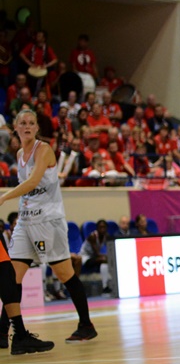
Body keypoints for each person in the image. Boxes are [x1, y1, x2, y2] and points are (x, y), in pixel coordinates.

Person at [0, 108, 96, 343]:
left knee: (64, 273)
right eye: (22, 122)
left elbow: (33, 182)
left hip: (48, 222)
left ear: (37, 128)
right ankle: (4, 332)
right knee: (12, 277)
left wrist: (2, 197)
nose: (27, 126)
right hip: (25, 221)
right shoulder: (20, 153)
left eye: (31, 122)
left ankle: (86, 324)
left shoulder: (44, 150)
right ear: (16, 128)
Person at [80, 219, 110, 293]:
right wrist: (107, 257)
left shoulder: (106, 236)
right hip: (85, 257)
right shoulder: (93, 236)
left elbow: (110, 249)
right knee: (104, 260)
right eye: (100, 227)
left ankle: (105, 286)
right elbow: (97, 253)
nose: (102, 229)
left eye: (104, 227)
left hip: (94, 257)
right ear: (97, 228)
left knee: (104, 264)